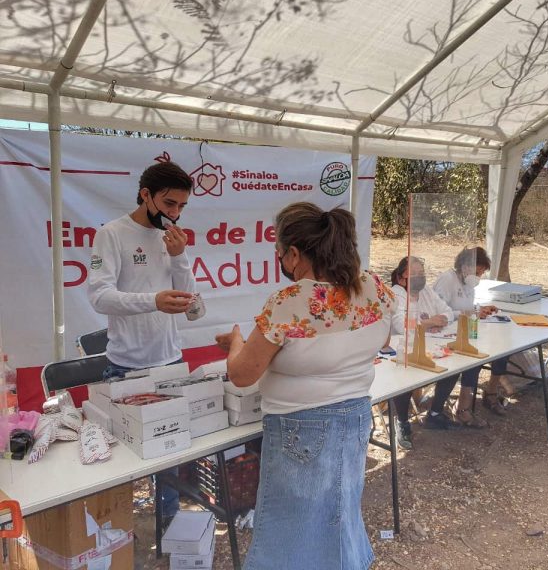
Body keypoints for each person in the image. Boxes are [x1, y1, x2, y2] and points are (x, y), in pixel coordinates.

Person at [215, 202, 395, 570]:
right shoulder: (374, 287)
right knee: (339, 515)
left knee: (289, 534)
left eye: (280, 253)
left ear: (294, 254)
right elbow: (382, 337)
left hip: (301, 428)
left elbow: (242, 374)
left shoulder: (292, 302)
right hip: (357, 417)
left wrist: (236, 341)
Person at [88, 160, 195, 522]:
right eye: (169, 204)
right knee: (121, 455)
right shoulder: (112, 233)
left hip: (170, 360)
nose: (175, 214)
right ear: (145, 194)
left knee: (169, 453)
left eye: (181, 206)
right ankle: (115, 528)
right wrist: (152, 300)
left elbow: (190, 301)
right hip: (125, 365)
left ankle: (169, 525)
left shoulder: (173, 239)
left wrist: (180, 258)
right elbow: (99, 297)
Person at [432, 247, 512, 425]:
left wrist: (478, 310)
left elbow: (466, 307)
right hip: (442, 334)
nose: (479, 276)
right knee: (472, 360)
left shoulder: (468, 284)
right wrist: (469, 313)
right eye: (478, 271)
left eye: (482, 273)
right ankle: (463, 408)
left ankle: (490, 393)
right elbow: (438, 312)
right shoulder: (447, 279)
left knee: (502, 349)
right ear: (465, 266)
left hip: (463, 330)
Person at [389, 256, 462, 449]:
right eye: (415, 274)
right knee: (406, 377)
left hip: (432, 345)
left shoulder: (427, 291)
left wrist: (437, 320)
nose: (420, 277)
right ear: (402, 277)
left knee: (455, 366)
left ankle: (435, 413)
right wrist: (430, 322)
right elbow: (402, 326)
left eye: (422, 273)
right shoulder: (395, 294)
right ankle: (402, 422)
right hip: (403, 351)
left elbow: (447, 312)